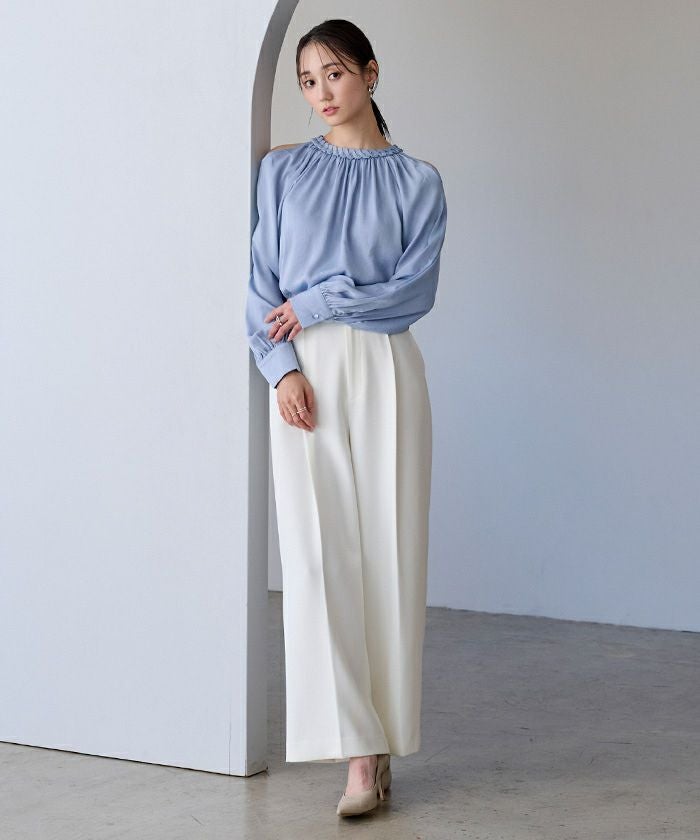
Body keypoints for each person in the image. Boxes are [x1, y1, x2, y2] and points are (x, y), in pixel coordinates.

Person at [245, 18, 448, 818]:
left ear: (370, 72)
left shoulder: (418, 183)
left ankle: (382, 742)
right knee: (317, 558)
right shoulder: (281, 172)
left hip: (386, 368)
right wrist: (281, 369)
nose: (321, 93)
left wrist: (322, 299)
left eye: (333, 73)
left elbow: (412, 292)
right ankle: (358, 755)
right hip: (307, 376)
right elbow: (260, 284)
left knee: (390, 556)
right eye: (307, 81)